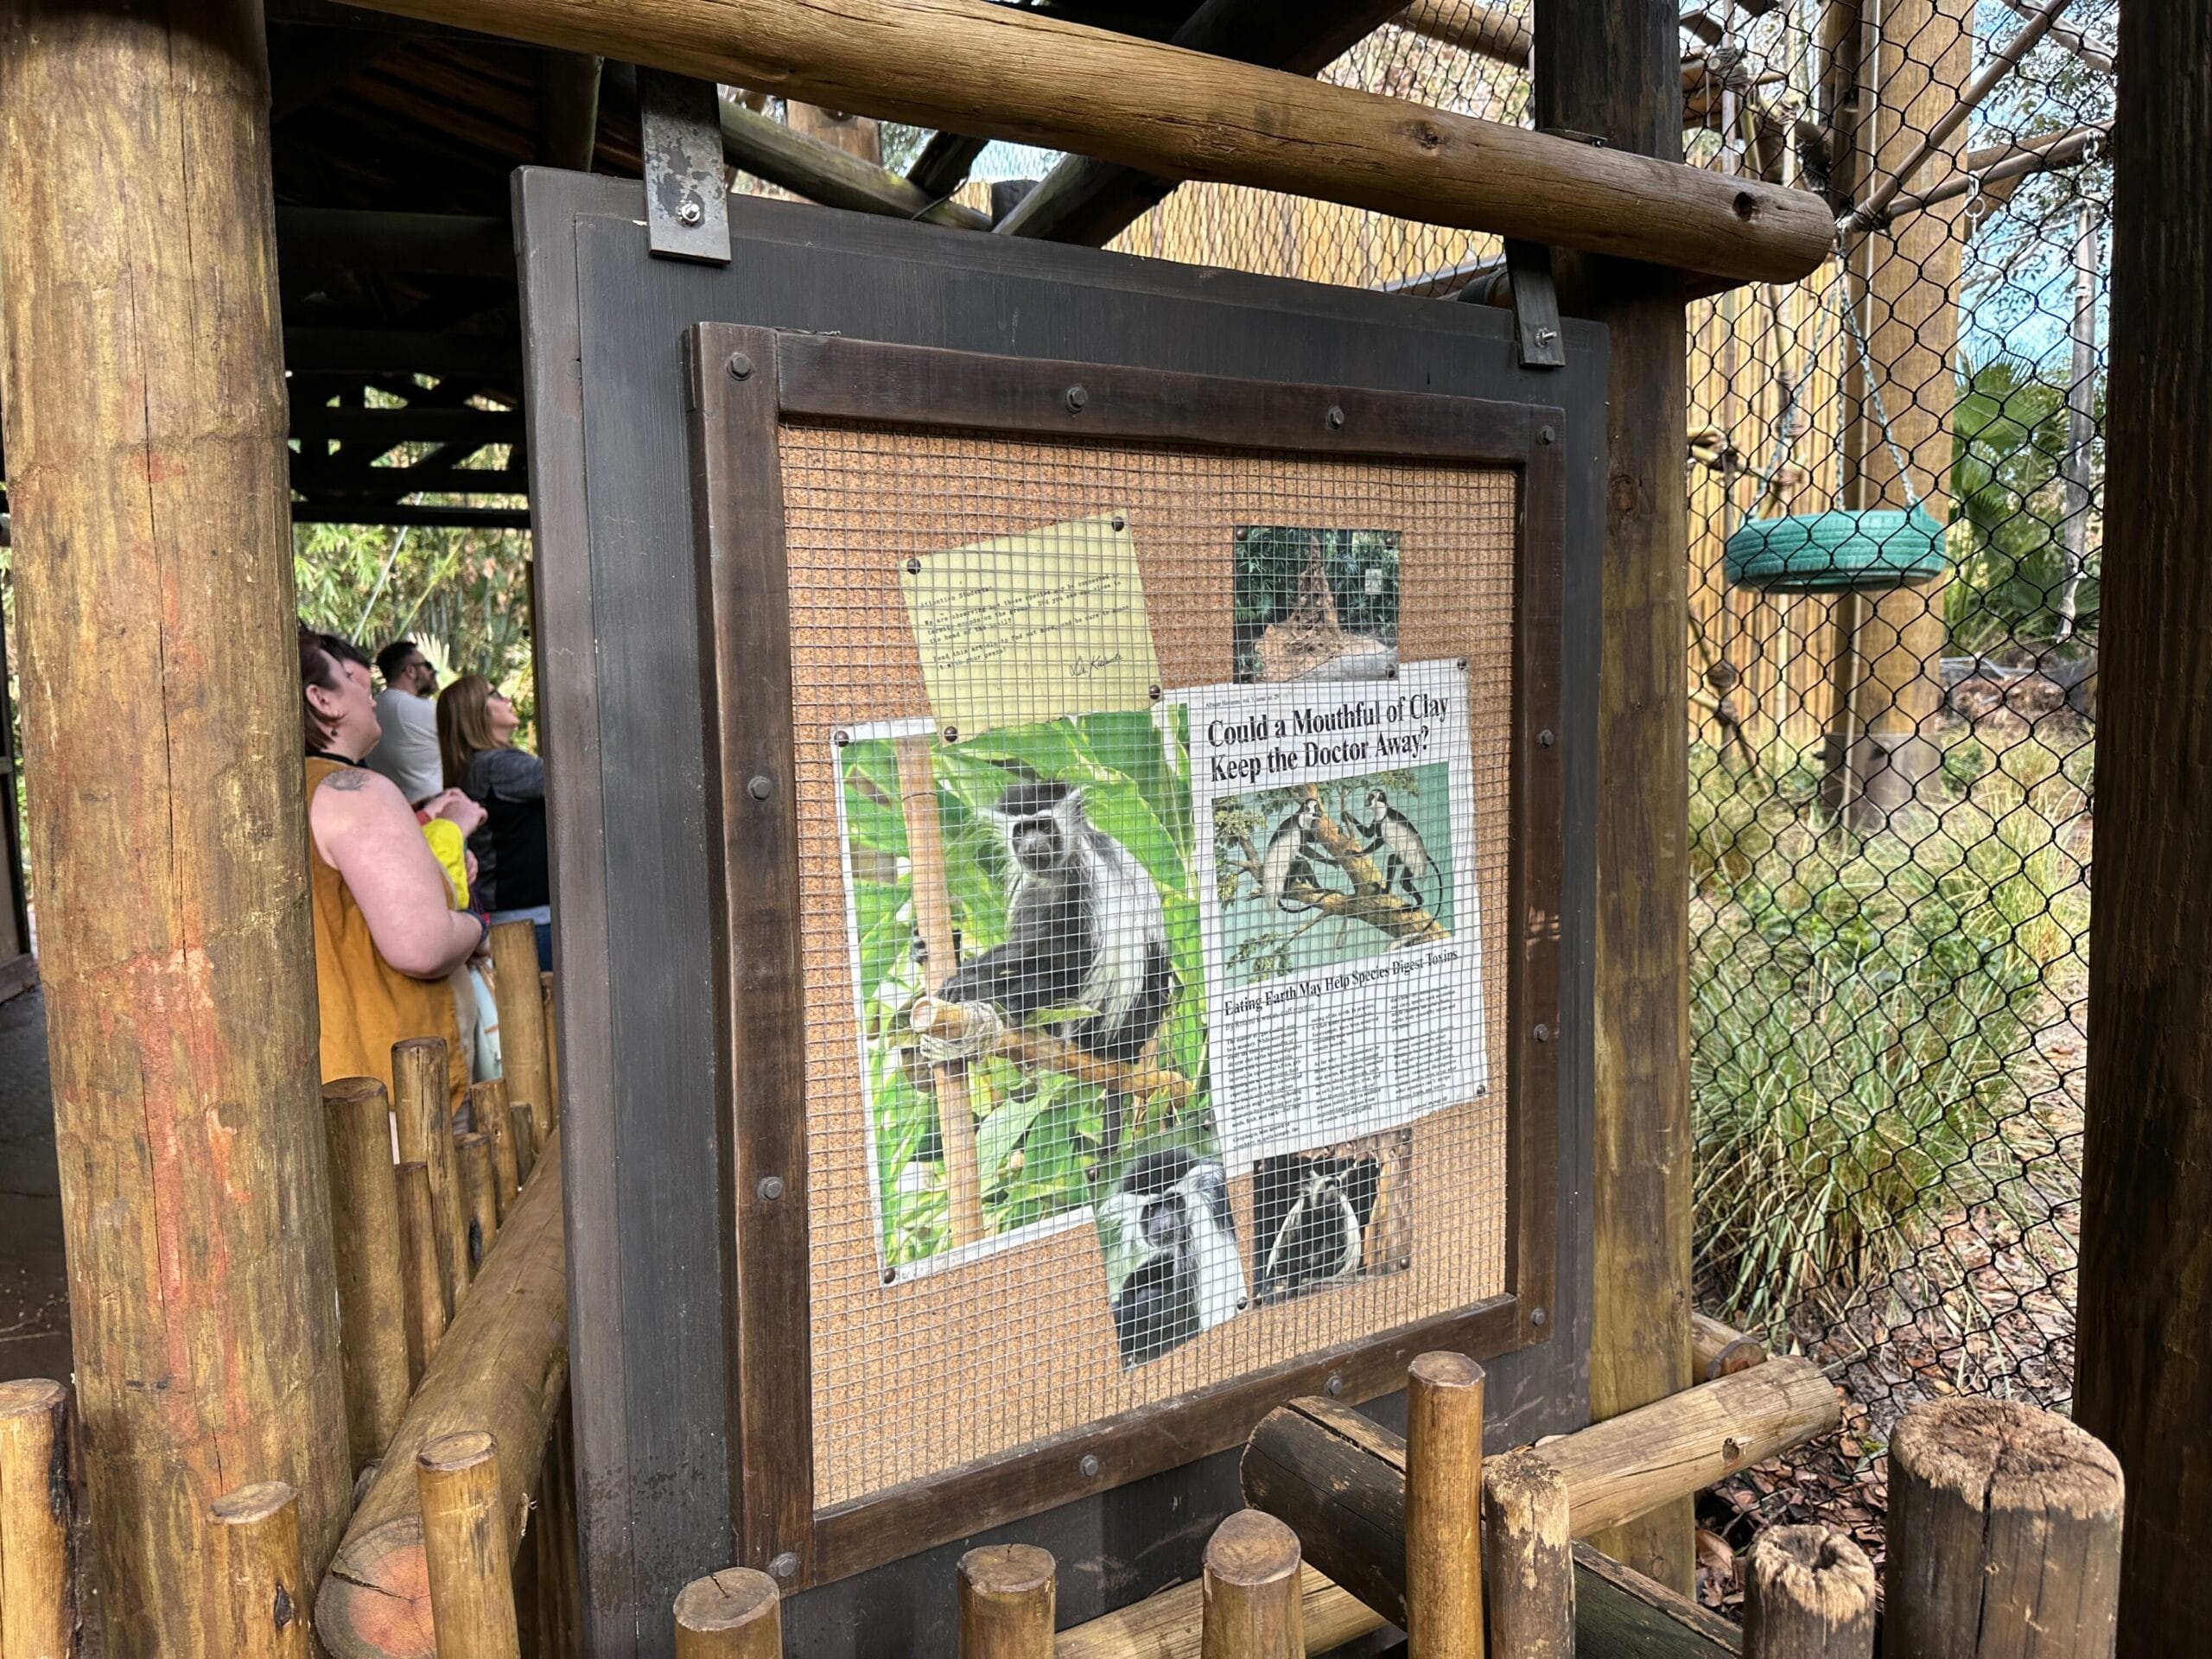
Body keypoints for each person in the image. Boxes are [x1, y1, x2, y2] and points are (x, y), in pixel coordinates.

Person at [302, 625, 487, 1113]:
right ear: (322, 699)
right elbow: (421, 945)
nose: (370, 691)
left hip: (330, 1083)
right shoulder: (353, 792)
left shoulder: (280, 794)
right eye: (350, 678)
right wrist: (473, 926)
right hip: (397, 1091)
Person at [437, 673, 552, 971]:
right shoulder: (497, 764)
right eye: (495, 694)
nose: (507, 700)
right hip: (530, 921)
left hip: (513, 918)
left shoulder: (476, 765)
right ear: (475, 712)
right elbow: (572, 773)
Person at [364, 639, 444, 805]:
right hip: (434, 806)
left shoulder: (372, 709)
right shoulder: (424, 709)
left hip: (393, 807)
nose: (432, 672)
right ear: (410, 671)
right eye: (427, 665)